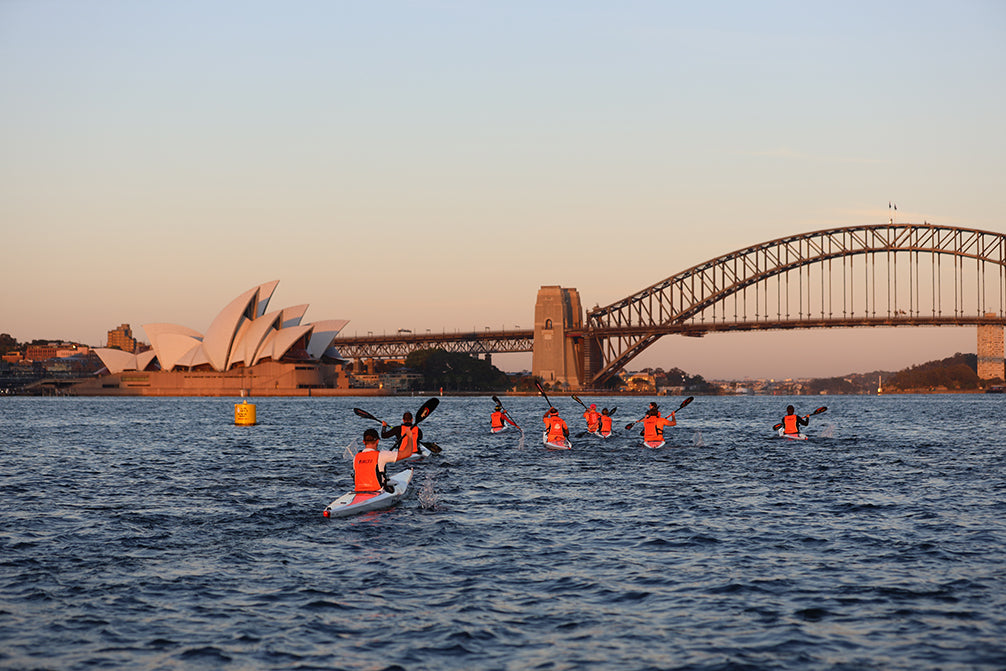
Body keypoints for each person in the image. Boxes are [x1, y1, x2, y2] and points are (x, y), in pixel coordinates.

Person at [354, 428, 399, 493]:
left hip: (359, 491)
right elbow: (407, 453)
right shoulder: (381, 455)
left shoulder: (356, 457)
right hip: (377, 490)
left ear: (363, 441)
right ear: (377, 441)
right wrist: (409, 436)